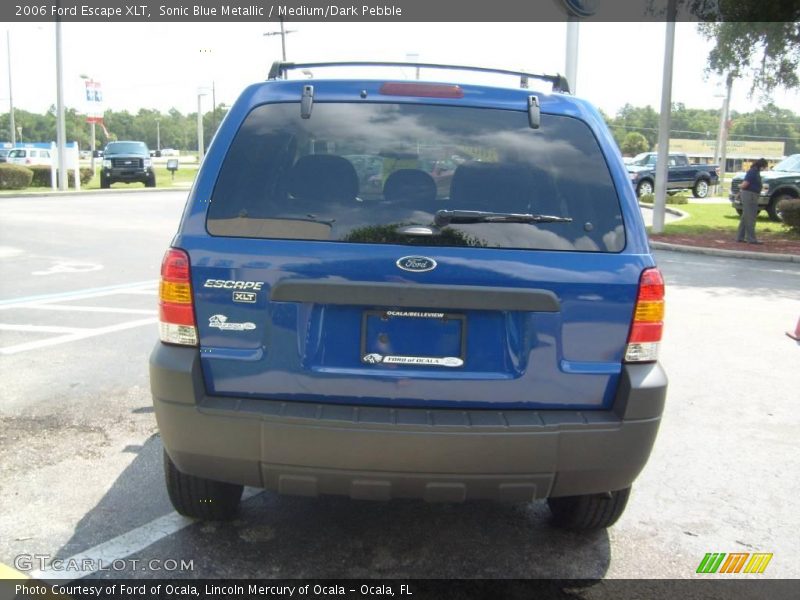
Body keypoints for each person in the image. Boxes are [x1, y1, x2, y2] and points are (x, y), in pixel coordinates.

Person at [736, 158, 769, 244]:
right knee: (751, 217)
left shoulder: (755, 172)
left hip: (751, 195)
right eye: (764, 167)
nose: (764, 168)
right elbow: (745, 184)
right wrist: (740, 186)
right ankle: (751, 239)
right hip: (750, 195)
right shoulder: (752, 172)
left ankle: (740, 237)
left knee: (745, 217)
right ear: (761, 165)